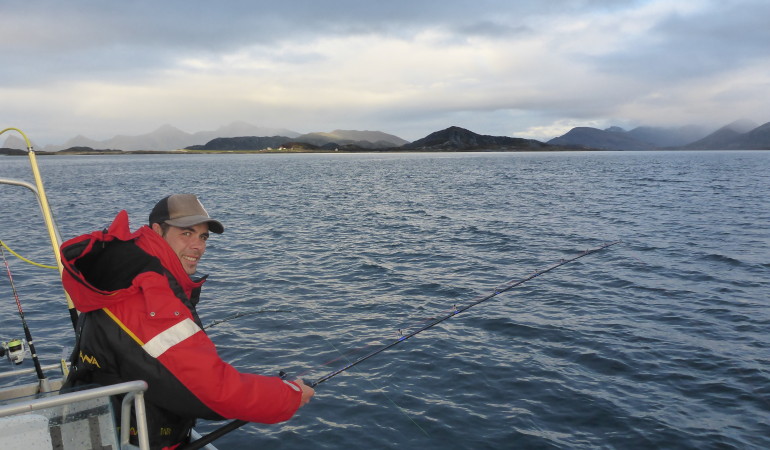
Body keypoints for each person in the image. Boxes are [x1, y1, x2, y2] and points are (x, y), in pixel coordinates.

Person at [60, 194, 313, 449]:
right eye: (187, 233)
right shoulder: (147, 291)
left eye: (203, 237)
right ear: (158, 231)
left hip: (105, 429)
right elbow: (211, 390)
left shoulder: (123, 273)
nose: (198, 246)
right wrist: (287, 395)